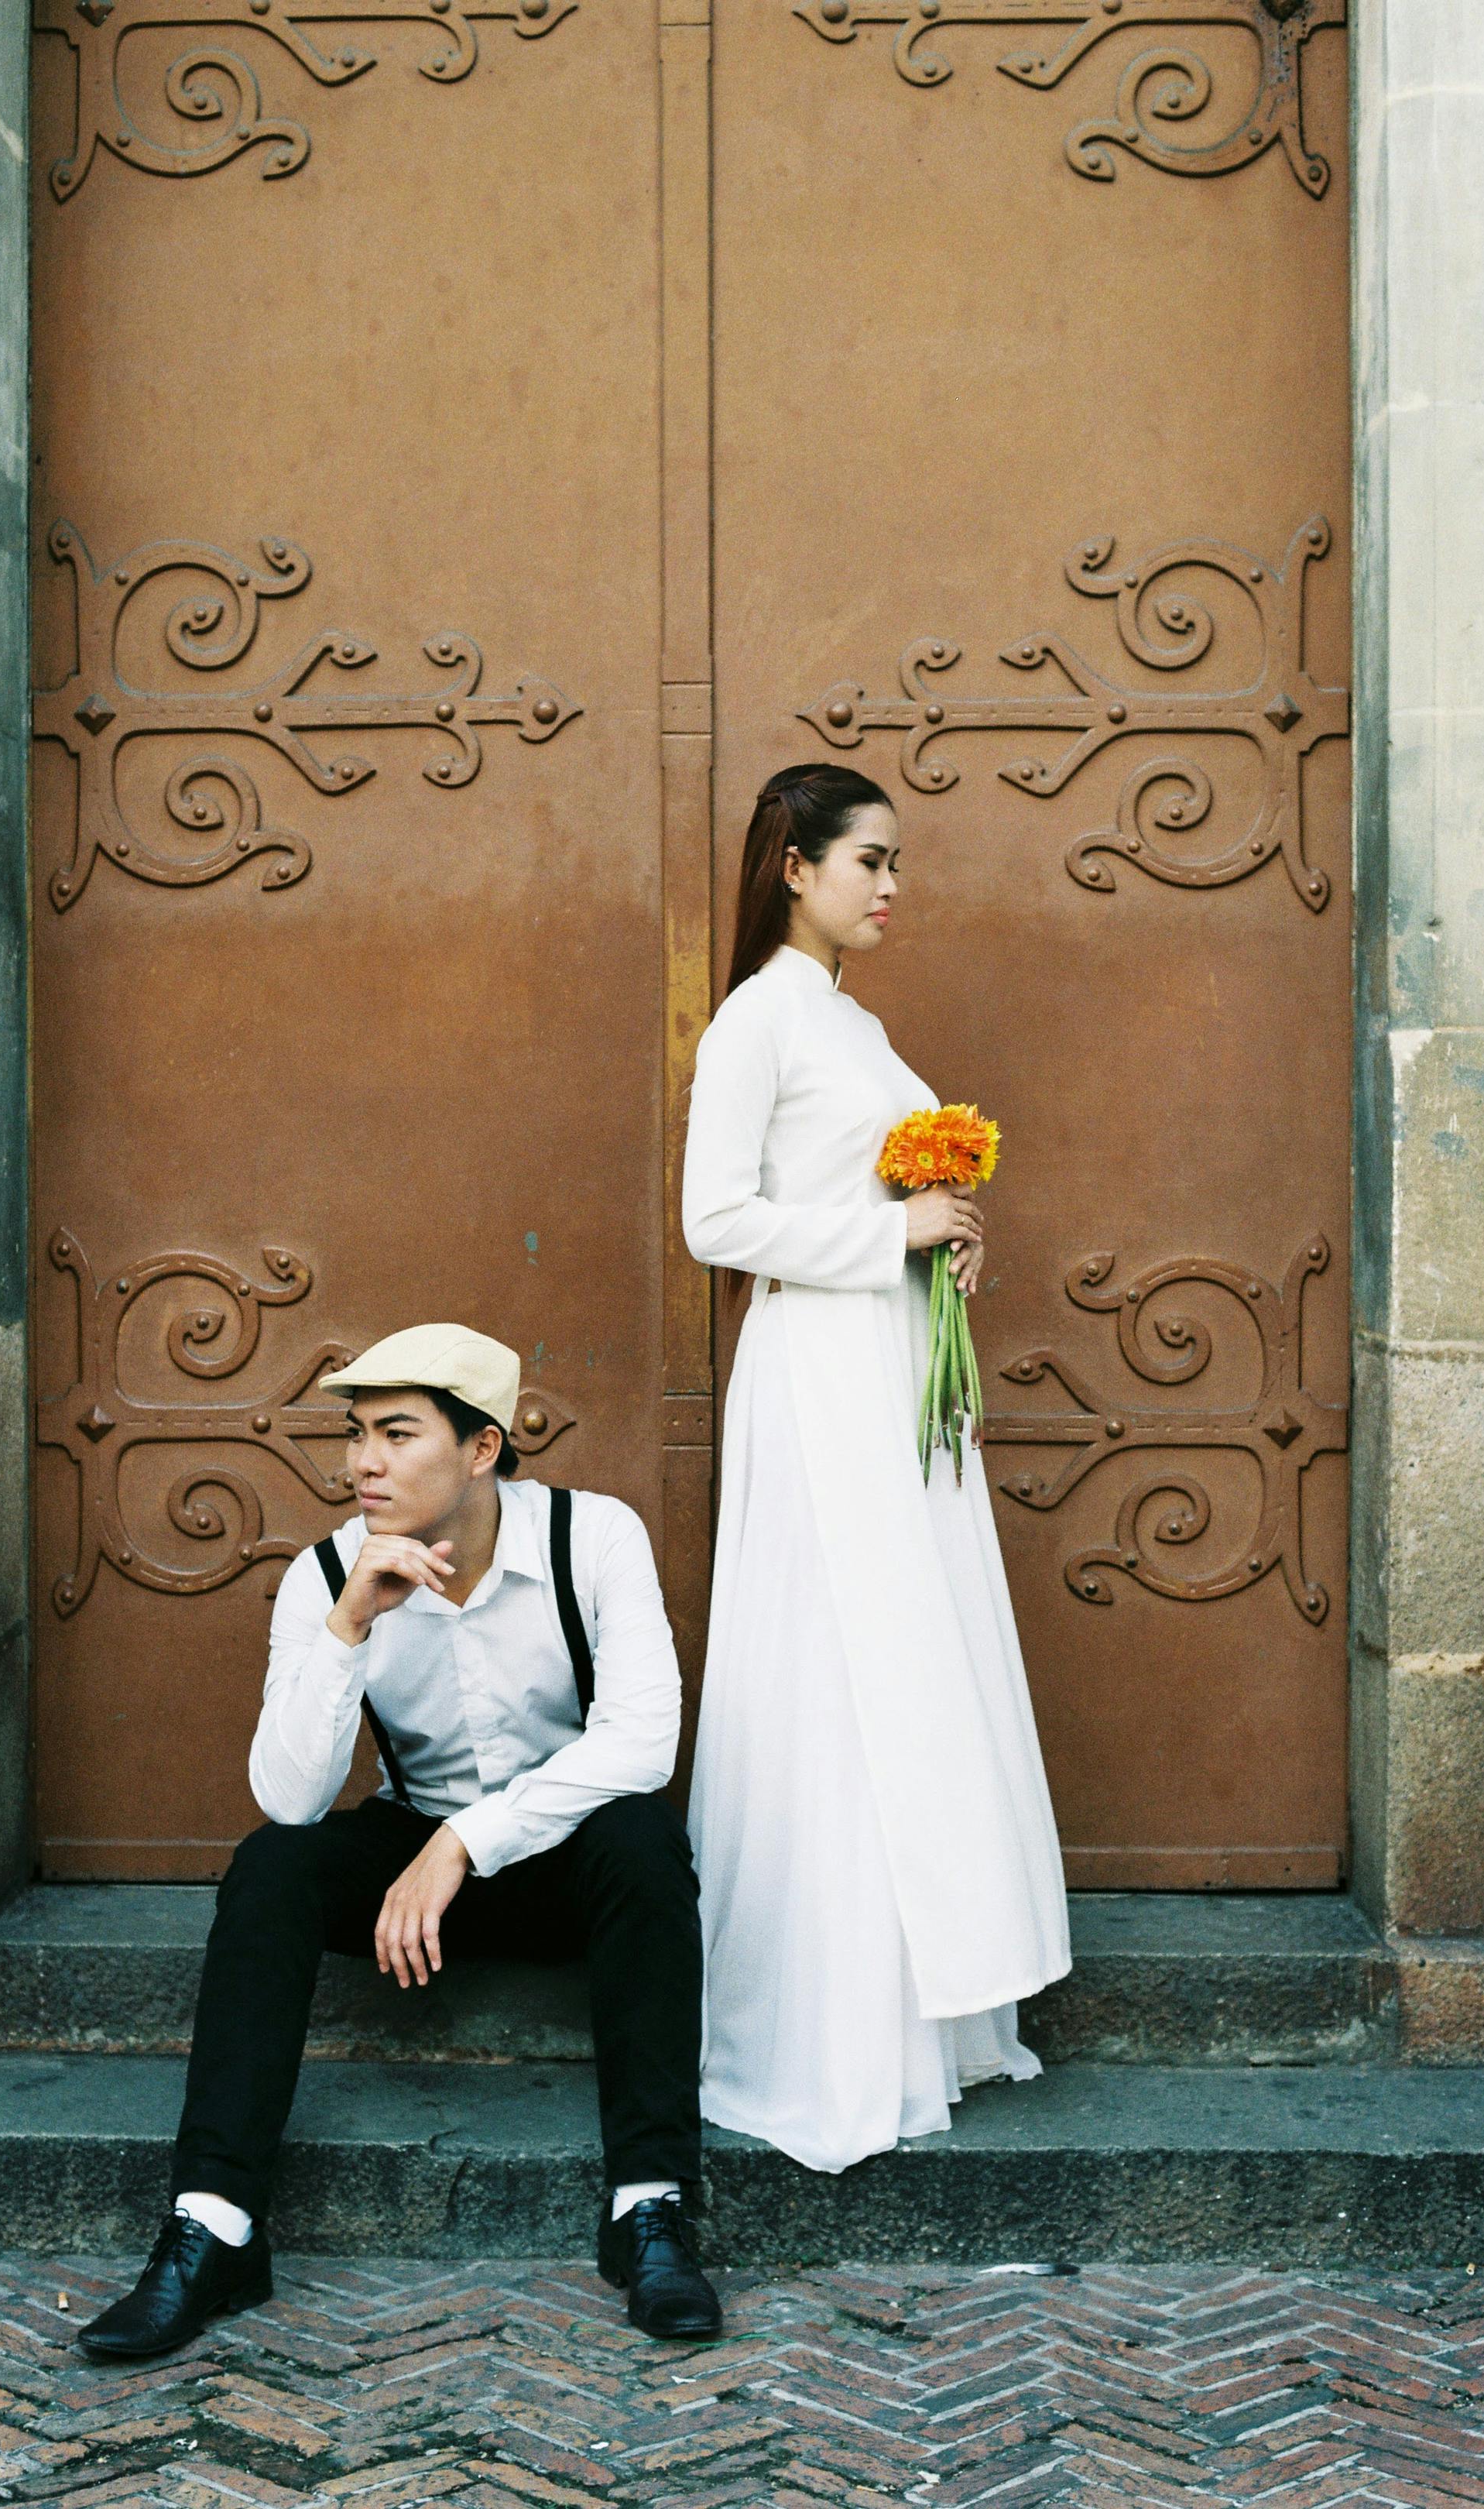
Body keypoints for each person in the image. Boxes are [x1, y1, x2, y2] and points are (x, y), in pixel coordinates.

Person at [79, 1323, 721, 2356]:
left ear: (481, 1448)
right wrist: (349, 1628)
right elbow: (290, 1798)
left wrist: (463, 1839)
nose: (361, 1463)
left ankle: (649, 2211)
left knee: (644, 1840)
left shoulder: (592, 1537)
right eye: (356, 1434)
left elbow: (642, 1743)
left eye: (396, 1434)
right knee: (270, 1868)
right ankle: (214, 2227)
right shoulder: (327, 1570)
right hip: (404, 1875)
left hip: (559, 1857)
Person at [682, 763, 1071, 2174]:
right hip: (818, 1381)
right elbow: (714, 1220)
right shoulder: (756, 1022)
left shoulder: (855, 1021)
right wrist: (884, 1241)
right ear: (794, 864)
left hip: (893, 1378)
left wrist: (946, 1236)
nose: (893, 887)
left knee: (905, 1664)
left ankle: (929, 1997)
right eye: (870, 862)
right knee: (837, 1666)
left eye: (899, 863)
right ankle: (829, 2035)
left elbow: (871, 1192)